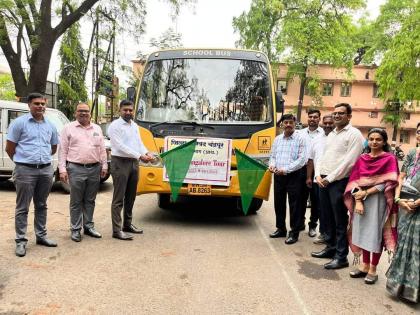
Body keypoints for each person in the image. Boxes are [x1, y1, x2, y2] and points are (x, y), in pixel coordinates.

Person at [5, 93, 59, 257]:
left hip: (45, 170)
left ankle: (41, 236)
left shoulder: (50, 125)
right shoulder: (19, 123)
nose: (40, 106)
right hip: (25, 170)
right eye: (37, 103)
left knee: (41, 205)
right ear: (29, 105)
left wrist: (42, 161)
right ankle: (21, 241)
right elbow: (10, 148)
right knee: (23, 207)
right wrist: (23, 162)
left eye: (43, 104)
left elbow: (54, 147)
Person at [312, 103, 364, 269]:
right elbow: (322, 156)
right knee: (326, 217)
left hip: (339, 182)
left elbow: (350, 162)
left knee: (339, 219)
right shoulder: (332, 133)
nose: (336, 116)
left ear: (349, 116)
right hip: (323, 180)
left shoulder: (354, 134)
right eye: (334, 113)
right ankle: (331, 247)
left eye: (341, 113)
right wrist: (318, 174)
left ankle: (341, 256)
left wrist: (330, 178)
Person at [343, 128, 398, 284]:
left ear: (384, 142)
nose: (374, 142)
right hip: (361, 201)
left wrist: (367, 193)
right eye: (371, 139)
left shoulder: (389, 159)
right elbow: (354, 180)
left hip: (378, 200)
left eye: (378, 139)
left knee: (375, 233)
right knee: (362, 232)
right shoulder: (362, 159)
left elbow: (389, 182)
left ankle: (373, 269)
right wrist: (359, 200)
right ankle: (364, 266)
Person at [59, 103, 108, 242]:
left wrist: (104, 166)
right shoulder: (68, 128)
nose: (83, 113)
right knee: (76, 201)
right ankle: (75, 229)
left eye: (86, 111)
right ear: (75, 113)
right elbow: (63, 150)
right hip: (76, 168)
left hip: (95, 168)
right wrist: (62, 169)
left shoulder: (97, 128)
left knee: (90, 200)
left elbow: (102, 149)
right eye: (80, 111)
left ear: (90, 114)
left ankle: (88, 226)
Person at [108, 100, 155, 240]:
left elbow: (138, 143)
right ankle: (116, 230)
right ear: (119, 110)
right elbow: (120, 146)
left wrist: (146, 153)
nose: (128, 112)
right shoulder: (114, 126)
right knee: (118, 198)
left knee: (131, 196)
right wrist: (140, 156)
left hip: (134, 163)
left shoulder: (134, 125)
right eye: (125, 110)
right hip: (120, 163)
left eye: (130, 110)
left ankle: (127, 224)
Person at [386, 122, 420, 303]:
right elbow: (402, 176)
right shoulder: (412, 153)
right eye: (419, 131)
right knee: (403, 246)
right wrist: (399, 199)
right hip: (405, 205)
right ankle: (399, 287)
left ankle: (414, 291)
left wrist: (417, 202)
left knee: (416, 249)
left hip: (417, 206)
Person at [269, 114, 307, 245]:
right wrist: (272, 166)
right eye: (286, 122)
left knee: (294, 205)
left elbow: (302, 160)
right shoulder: (277, 139)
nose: (288, 124)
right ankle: (280, 228)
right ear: (282, 124)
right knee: (279, 202)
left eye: (291, 122)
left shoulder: (300, 139)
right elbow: (272, 156)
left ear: (295, 123)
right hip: (278, 175)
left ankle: (294, 232)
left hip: (294, 176)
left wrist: (286, 169)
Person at [305, 115, 334, 245]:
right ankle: (322, 232)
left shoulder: (336, 137)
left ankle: (330, 235)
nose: (328, 125)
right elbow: (311, 160)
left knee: (330, 209)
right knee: (318, 207)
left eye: (330, 123)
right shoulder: (317, 139)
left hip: (333, 180)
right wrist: (309, 177)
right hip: (318, 179)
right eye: (325, 123)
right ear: (322, 124)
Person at [300, 109, 325, 237]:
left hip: (317, 170)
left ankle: (312, 226)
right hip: (301, 170)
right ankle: (300, 223)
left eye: (315, 117)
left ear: (319, 119)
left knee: (316, 201)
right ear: (307, 118)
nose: (312, 119)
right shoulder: (300, 133)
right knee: (300, 199)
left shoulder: (324, 134)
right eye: (310, 116)